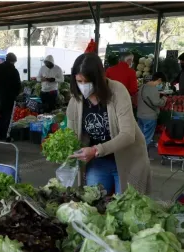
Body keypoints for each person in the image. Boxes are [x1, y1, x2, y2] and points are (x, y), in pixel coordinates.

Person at [67, 53, 151, 196]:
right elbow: (71, 134)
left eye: (86, 82)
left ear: (99, 79)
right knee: (93, 204)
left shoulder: (118, 92)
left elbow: (128, 135)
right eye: (79, 81)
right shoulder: (76, 101)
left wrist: (95, 149)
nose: (83, 86)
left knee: (125, 209)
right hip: (98, 162)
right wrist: (69, 151)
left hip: (128, 160)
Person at [0, 53, 21, 141]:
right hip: (9, 97)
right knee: (6, 117)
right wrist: (16, 94)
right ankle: (4, 135)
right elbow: (18, 85)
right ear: (13, 61)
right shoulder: (14, 71)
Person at [137, 72, 167, 149]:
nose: (160, 84)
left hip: (140, 115)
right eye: (161, 82)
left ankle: (138, 154)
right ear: (159, 80)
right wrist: (164, 99)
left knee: (140, 137)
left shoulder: (142, 87)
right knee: (146, 138)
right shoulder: (153, 89)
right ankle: (144, 156)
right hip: (149, 117)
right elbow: (157, 102)